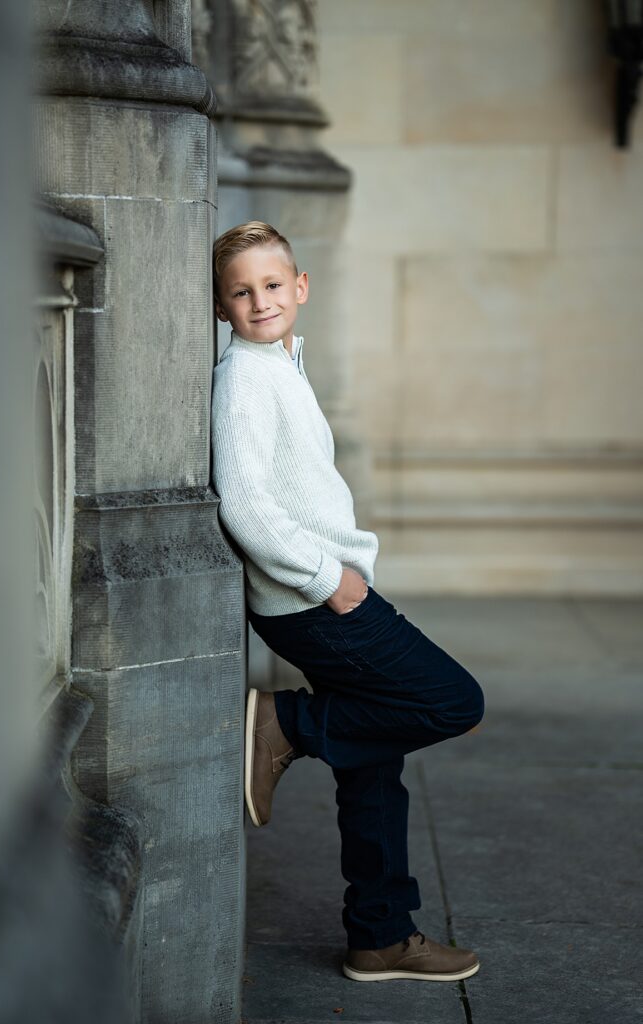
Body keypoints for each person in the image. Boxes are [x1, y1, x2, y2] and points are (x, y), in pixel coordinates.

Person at [210, 220, 485, 983]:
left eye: (272, 285)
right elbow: (245, 507)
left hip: (320, 591)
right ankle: (284, 724)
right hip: (313, 600)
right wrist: (330, 581)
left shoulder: (279, 363)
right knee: (451, 700)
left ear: (300, 288)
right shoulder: (246, 379)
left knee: (373, 766)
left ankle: (380, 935)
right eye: (241, 291)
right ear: (221, 307)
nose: (259, 301)